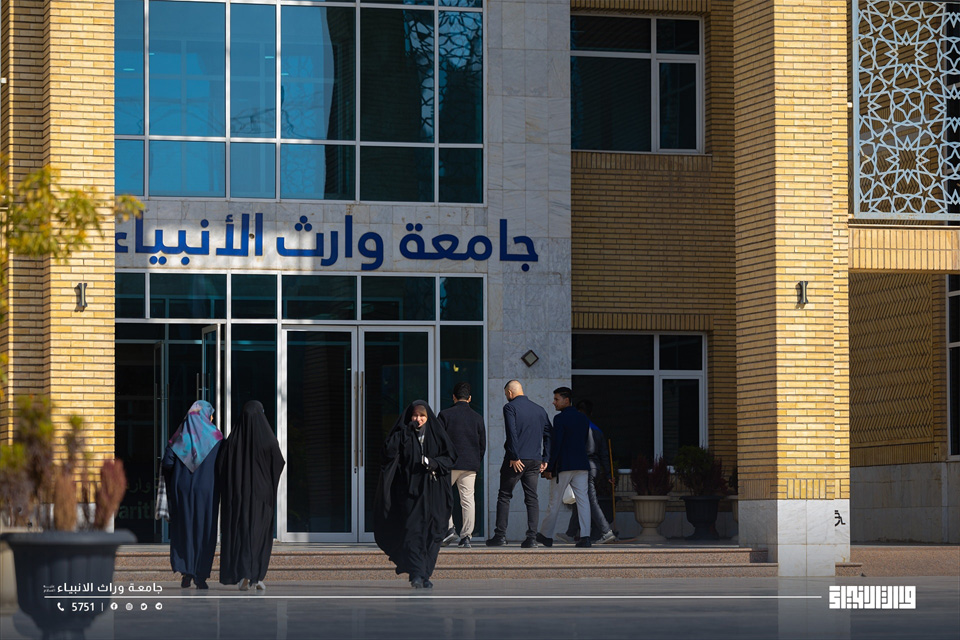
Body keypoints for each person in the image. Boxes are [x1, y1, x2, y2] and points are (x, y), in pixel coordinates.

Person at [374, 400, 457, 589]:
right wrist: (406, 431)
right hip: (410, 493)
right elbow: (388, 452)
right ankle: (417, 574)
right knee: (413, 532)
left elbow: (450, 457)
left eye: (422, 416)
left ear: (428, 418)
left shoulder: (436, 434)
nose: (418, 419)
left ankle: (425, 573)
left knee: (433, 534)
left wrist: (433, 463)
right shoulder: (403, 434)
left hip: (434, 493)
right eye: (415, 415)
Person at [217, 400, 285, 591]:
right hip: (262, 495)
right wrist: (268, 482)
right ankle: (257, 576)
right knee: (259, 533)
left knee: (241, 532)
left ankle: (243, 573)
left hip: (238, 495)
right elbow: (278, 463)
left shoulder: (232, 441)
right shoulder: (269, 440)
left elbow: (221, 467)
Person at [161, 400, 222, 590]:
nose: (212, 418)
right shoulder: (217, 438)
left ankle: (186, 572)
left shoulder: (179, 437)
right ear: (206, 416)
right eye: (210, 414)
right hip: (207, 490)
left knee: (184, 528)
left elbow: (167, 463)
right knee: (205, 529)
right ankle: (200, 575)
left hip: (183, 490)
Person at [487, 380, 551, 548]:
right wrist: (545, 458)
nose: (506, 397)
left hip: (516, 460)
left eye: (506, 394)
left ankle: (500, 536)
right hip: (535, 460)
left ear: (510, 393)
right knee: (532, 498)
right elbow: (549, 434)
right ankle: (532, 538)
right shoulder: (540, 409)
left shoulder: (510, 407)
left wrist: (514, 456)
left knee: (504, 495)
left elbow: (512, 432)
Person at [536, 387, 592, 548]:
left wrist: (549, 467)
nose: (554, 402)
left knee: (554, 501)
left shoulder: (560, 419)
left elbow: (557, 444)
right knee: (583, 501)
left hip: (564, 465)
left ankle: (546, 535)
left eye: (556, 399)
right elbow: (585, 441)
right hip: (582, 464)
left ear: (566, 400)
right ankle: (585, 537)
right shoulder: (583, 418)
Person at [557, 400, 616, 545]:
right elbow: (604, 454)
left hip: (583, 466)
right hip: (594, 467)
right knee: (581, 499)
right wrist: (609, 474)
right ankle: (571, 533)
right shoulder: (597, 430)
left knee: (589, 500)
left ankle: (606, 531)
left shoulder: (578, 427)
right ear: (591, 413)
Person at [438, 382, 486, 549]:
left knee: (440, 495)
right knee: (467, 500)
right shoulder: (477, 418)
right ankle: (466, 537)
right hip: (470, 464)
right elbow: (482, 445)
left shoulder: (444, 415)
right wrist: (476, 461)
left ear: (453, 397)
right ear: (469, 398)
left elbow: (438, 441)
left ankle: (449, 528)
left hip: (449, 464)